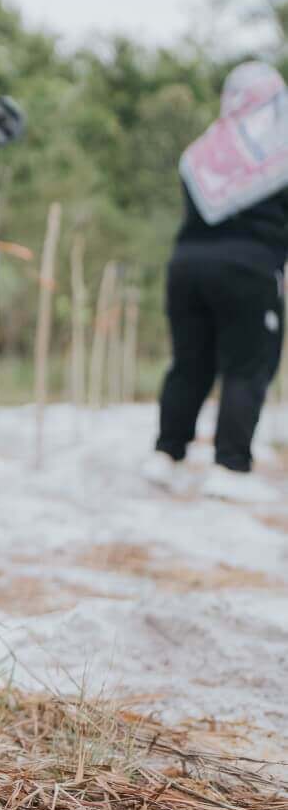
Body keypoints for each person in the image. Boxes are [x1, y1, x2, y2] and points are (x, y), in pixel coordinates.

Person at [144, 61, 288, 503]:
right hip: (248, 270)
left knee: (190, 363)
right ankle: (230, 465)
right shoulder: (279, 151)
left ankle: (167, 454)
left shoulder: (203, 151)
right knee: (247, 365)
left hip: (186, 268)